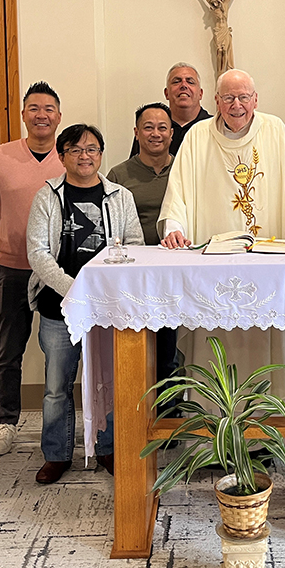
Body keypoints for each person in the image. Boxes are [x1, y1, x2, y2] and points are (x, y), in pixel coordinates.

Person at [158, 68, 285, 403]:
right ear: (216, 100)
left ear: (255, 99)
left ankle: (265, 434)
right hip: (211, 271)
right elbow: (179, 192)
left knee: (266, 346)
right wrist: (175, 228)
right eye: (228, 97)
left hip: (265, 269)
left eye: (243, 96)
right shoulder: (198, 136)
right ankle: (210, 440)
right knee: (210, 348)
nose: (236, 104)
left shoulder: (273, 130)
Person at [26, 124, 143, 484]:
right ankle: (57, 455)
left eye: (92, 149)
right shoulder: (48, 196)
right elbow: (38, 254)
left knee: (108, 380)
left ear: (101, 155)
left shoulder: (119, 196)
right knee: (57, 386)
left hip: (108, 307)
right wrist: (75, 290)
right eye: (76, 150)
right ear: (62, 156)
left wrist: (104, 287)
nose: (85, 156)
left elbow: (136, 243)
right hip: (59, 306)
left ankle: (108, 449)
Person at [0, 81, 66, 457]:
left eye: (48, 108)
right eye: (34, 108)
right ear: (23, 114)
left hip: (60, 272)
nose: (41, 115)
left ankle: (60, 423)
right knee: (9, 349)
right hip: (12, 267)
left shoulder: (73, 156)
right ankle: (6, 422)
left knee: (60, 350)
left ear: (59, 116)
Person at [108, 102, 178, 384]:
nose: (155, 133)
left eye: (162, 127)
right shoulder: (119, 175)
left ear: (172, 133)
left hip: (175, 272)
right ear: (136, 133)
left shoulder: (185, 170)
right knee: (135, 348)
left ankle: (170, 415)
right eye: (148, 127)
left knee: (171, 352)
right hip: (134, 275)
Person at [129, 63, 212, 157]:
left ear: (200, 94)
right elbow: (136, 167)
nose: (184, 85)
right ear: (166, 93)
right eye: (176, 81)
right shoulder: (150, 129)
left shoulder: (214, 127)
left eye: (190, 82)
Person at [192, 0, 246, 74]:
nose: (214, 4)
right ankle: (220, 74)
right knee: (219, 52)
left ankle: (227, 73)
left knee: (225, 51)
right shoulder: (214, 8)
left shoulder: (225, 4)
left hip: (225, 31)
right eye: (212, 2)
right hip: (217, 32)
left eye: (215, 1)